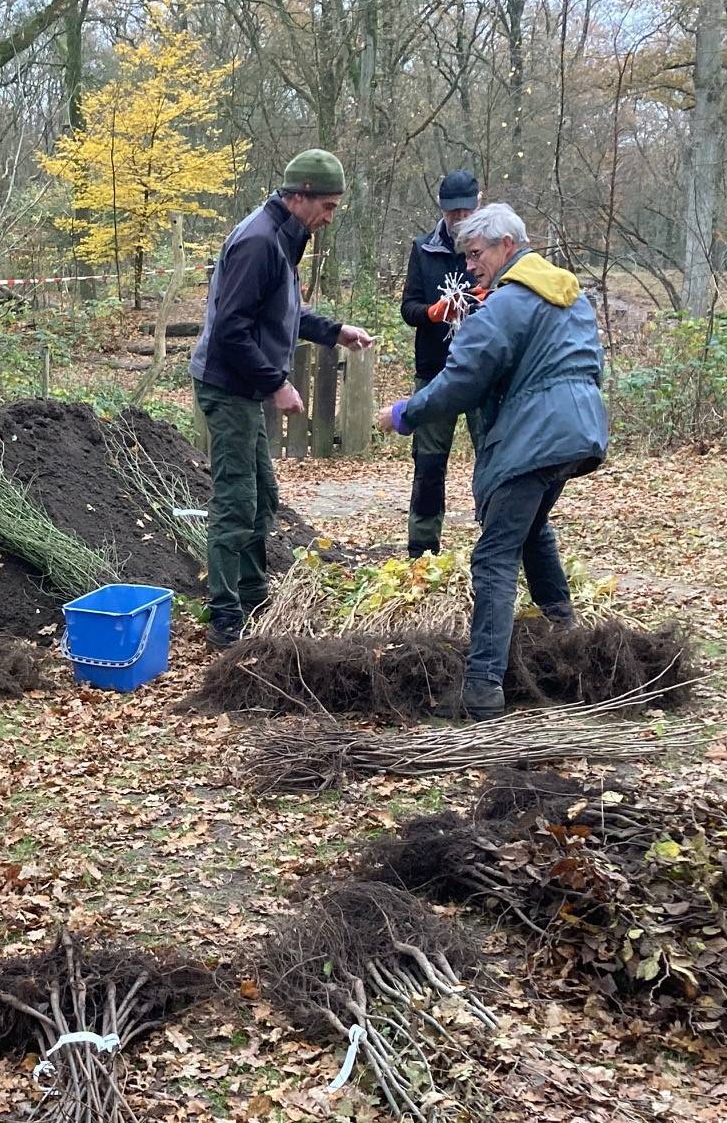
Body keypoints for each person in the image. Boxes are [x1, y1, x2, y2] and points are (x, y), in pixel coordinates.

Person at [375, 204, 605, 719]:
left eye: (476, 254)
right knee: (530, 531)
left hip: (536, 438)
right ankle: (566, 639)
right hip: (579, 431)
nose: (469, 266)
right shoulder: (569, 294)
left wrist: (404, 413)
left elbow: (461, 380)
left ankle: (481, 688)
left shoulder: (507, 303)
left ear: (506, 245)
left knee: (494, 556)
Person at [189, 149, 375, 648]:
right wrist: (277, 383)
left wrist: (335, 331)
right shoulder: (258, 242)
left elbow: (282, 311)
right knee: (236, 501)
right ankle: (226, 618)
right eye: (328, 207)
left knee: (264, 497)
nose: (330, 219)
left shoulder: (284, 238)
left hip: (246, 388)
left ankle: (252, 598)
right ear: (299, 197)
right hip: (228, 388)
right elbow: (231, 329)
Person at [398, 169, 484, 556]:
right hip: (434, 371)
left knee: (494, 459)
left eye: (466, 210)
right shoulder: (424, 249)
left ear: (478, 204)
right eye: (453, 213)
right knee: (430, 465)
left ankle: (496, 543)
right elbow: (408, 308)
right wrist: (433, 312)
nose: (460, 220)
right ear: (442, 209)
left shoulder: (494, 247)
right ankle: (422, 551)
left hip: (485, 373)